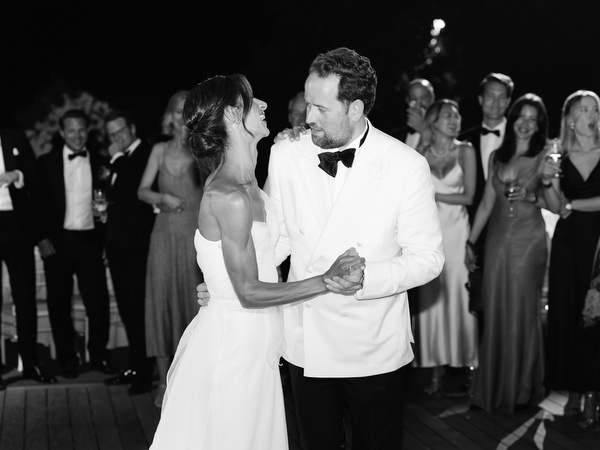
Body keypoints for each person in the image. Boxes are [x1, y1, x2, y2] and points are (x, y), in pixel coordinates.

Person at [149, 73, 365, 450]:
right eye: (253, 101)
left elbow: (268, 248)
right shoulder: (229, 194)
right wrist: (327, 279)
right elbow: (248, 292)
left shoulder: (249, 186)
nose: (264, 105)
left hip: (258, 343)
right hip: (235, 346)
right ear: (233, 116)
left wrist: (294, 142)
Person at [265, 47, 444, 449]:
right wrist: (233, 280)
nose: (306, 117)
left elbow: (429, 258)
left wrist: (368, 276)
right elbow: (273, 242)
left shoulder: (405, 164)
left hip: (374, 343)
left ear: (355, 108)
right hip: (305, 343)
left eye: (319, 108)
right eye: (307, 104)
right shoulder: (284, 154)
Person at [465, 93, 549, 413]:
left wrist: (531, 194)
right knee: (496, 309)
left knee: (522, 311)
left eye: (533, 119)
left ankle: (523, 390)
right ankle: (493, 388)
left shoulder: (545, 156)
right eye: (521, 117)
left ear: (539, 125)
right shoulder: (497, 157)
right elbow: (487, 202)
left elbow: (554, 202)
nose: (526, 124)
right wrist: (470, 242)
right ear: (512, 119)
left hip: (529, 241)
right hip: (498, 240)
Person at [34, 109, 115, 379]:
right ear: (61, 133)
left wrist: (106, 238)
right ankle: (67, 360)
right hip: (57, 242)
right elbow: (39, 204)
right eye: (71, 130)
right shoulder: (46, 163)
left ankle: (99, 356)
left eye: (81, 129)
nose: (77, 135)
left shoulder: (102, 163)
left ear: (87, 131)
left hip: (90, 241)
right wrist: (42, 238)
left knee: (98, 302)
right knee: (59, 304)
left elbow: (110, 206)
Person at [137, 90, 204, 407]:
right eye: (177, 111)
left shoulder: (204, 150)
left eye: (186, 111)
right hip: (163, 236)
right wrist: (161, 198)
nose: (181, 117)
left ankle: (193, 379)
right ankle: (165, 384)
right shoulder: (160, 150)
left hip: (195, 236)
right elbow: (142, 191)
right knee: (162, 303)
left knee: (193, 304)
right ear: (169, 115)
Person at [542, 90, 600, 426]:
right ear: (571, 119)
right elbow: (554, 205)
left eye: (595, 109)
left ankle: (592, 394)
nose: (592, 115)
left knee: (594, 312)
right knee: (569, 311)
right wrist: (549, 180)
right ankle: (575, 391)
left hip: (597, 242)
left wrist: (572, 205)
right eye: (584, 109)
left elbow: (570, 206)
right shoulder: (558, 154)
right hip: (568, 243)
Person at [413, 99, 478, 394]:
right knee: (432, 299)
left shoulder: (465, 150)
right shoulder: (420, 153)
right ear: (434, 121)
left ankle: (470, 367)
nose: (454, 119)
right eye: (447, 115)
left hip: (456, 231)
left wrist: (434, 196)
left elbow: (468, 197)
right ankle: (435, 372)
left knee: (459, 299)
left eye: (456, 115)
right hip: (430, 233)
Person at [102, 110, 156, 394]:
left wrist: (117, 158)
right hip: (118, 246)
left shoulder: (146, 153)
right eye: (111, 135)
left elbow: (137, 187)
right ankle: (135, 366)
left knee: (138, 310)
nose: (116, 138)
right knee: (127, 311)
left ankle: (145, 372)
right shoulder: (119, 161)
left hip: (138, 247)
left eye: (120, 132)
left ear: (132, 127)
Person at [459, 73, 514, 338]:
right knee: (476, 300)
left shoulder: (521, 140)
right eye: (490, 95)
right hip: (472, 229)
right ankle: (477, 363)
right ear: (481, 100)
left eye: (502, 96)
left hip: (512, 227)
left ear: (509, 102)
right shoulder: (463, 141)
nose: (495, 102)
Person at [0, 129, 56, 388]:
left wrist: (18, 175)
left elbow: (35, 177)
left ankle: (31, 363)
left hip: (17, 225)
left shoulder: (14, 137)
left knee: (25, 297)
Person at [396, 78, 435, 150]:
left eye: (423, 98)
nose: (418, 105)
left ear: (432, 98)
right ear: (407, 100)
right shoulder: (397, 135)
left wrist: (423, 129)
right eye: (413, 99)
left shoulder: (442, 129)